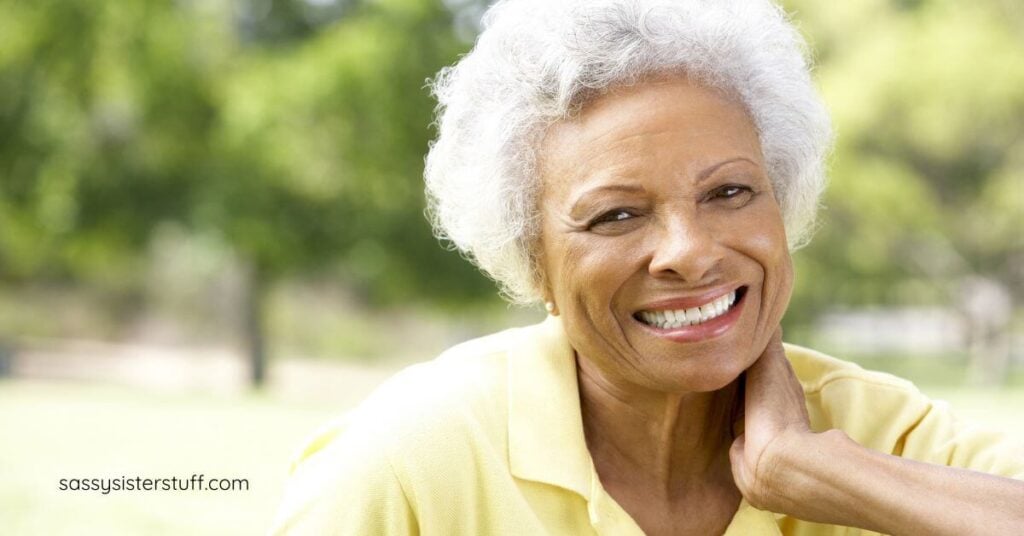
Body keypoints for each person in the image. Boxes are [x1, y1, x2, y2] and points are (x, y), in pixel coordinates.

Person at [270, 0, 1024, 534]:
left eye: (729, 191)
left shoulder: (877, 436)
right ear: (532, 262)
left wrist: (825, 476)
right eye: (617, 215)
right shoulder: (404, 465)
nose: (691, 251)